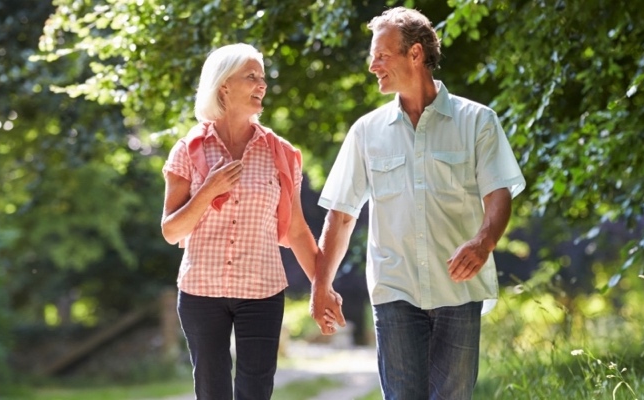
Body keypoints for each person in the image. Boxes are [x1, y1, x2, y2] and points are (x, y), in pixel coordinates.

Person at [310, 7, 526, 400]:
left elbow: (499, 194)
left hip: (459, 292)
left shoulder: (478, 121)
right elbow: (341, 215)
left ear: (415, 54)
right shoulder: (366, 132)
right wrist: (321, 284)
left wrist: (483, 242)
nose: (373, 65)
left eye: (382, 55)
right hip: (396, 292)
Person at [160, 43, 337, 400]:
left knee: (256, 391)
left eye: (263, 78)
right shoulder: (189, 150)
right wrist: (207, 190)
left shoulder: (281, 153)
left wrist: (322, 286)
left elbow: (298, 230)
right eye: (251, 77)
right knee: (212, 391)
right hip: (201, 291)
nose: (262, 85)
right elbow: (171, 229)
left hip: (262, 291)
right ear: (224, 85)